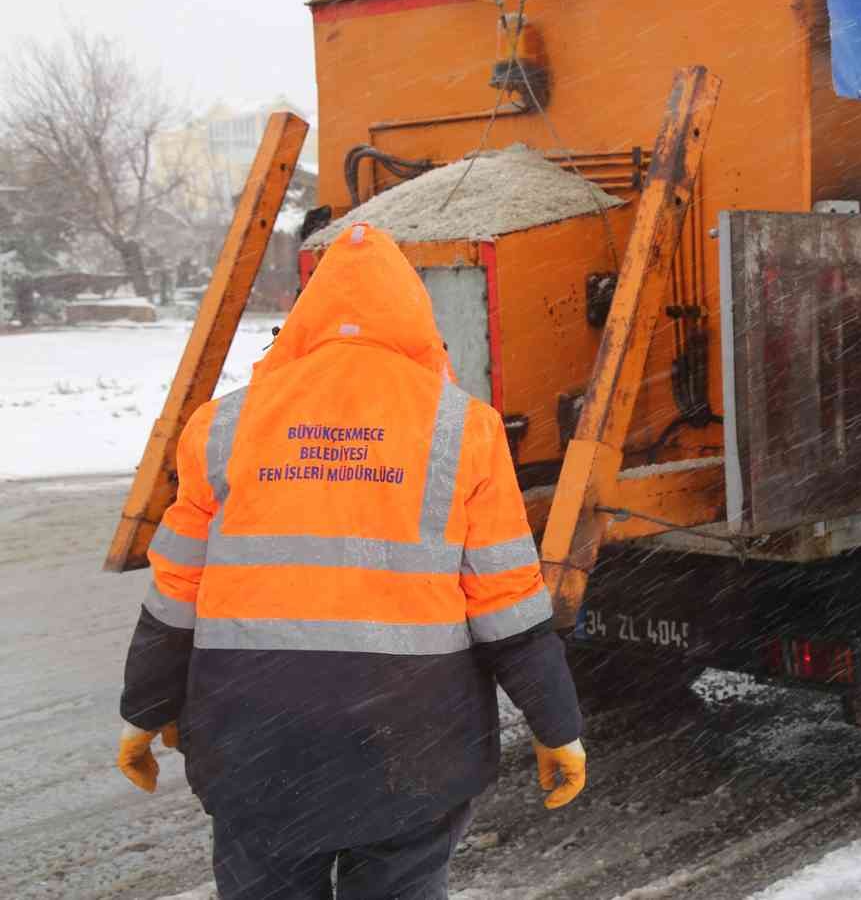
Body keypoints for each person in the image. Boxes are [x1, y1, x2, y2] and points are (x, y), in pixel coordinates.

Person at [116, 222, 585, 900]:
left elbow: (176, 593)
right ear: (415, 317)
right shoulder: (464, 427)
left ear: (307, 314)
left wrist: (143, 711)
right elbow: (507, 604)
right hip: (412, 744)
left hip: (255, 744)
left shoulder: (222, 425)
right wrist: (556, 727)